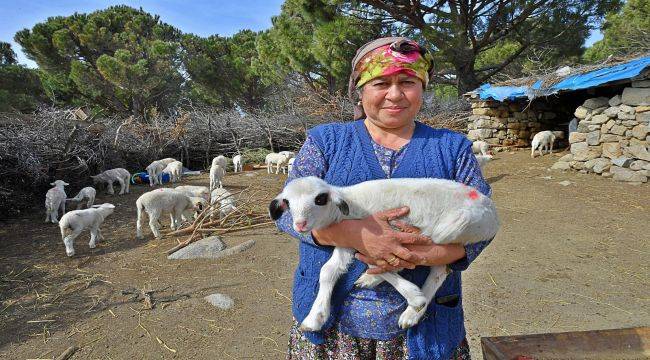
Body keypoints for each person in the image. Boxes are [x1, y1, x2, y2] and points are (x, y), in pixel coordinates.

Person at [275, 37, 492, 360]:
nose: (394, 94)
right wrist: (357, 235)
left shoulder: (452, 148)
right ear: (360, 91)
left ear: (422, 88)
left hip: (424, 329)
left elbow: (482, 223)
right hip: (335, 332)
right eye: (380, 83)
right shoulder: (325, 142)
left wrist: (426, 254)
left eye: (407, 82)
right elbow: (284, 214)